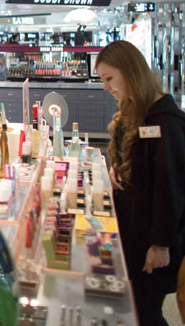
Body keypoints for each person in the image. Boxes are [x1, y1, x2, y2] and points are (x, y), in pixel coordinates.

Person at [97, 40, 185, 326]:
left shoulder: (166, 122)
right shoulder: (135, 111)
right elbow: (133, 159)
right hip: (135, 230)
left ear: (130, 72)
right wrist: (117, 168)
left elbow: (170, 188)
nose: (106, 87)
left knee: (145, 311)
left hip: (153, 240)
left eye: (109, 79)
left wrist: (160, 244)